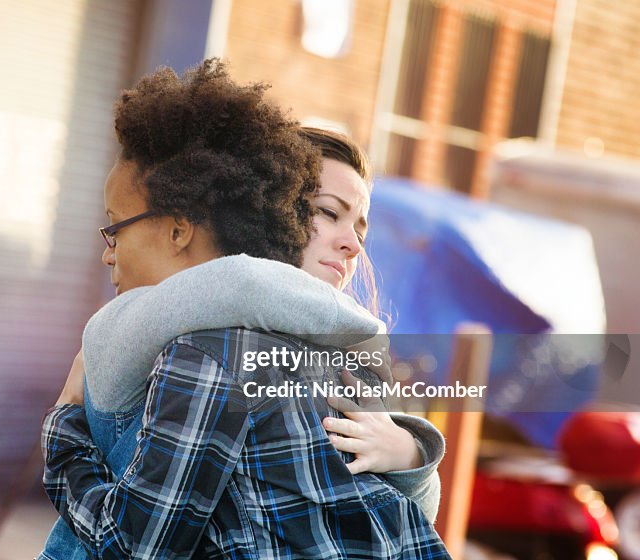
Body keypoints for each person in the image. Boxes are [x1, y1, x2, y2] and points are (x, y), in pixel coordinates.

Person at [41, 60, 449, 558]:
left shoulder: (268, 351)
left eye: (360, 228)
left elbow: (137, 544)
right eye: (326, 212)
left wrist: (409, 453)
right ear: (271, 206)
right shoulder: (222, 330)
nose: (353, 246)